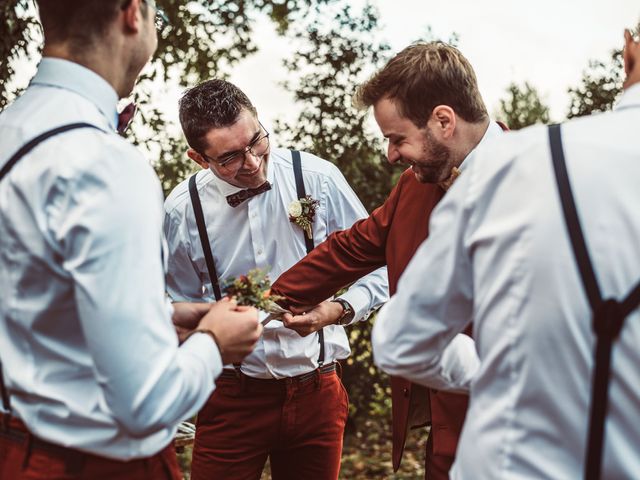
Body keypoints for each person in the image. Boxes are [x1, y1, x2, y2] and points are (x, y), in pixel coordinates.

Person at [0, 2, 261, 479]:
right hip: (96, 462)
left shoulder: (10, 130)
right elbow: (145, 403)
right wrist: (213, 343)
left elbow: (31, 304)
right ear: (131, 12)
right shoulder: (103, 162)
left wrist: (161, 317)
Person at [371, 28, 640, 479]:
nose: (391, 156)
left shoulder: (519, 163)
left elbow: (401, 343)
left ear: (631, 47)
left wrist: (491, 368)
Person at [272, 41, 505, 479]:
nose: (391, 155)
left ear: (443, 120)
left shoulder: (539, 180)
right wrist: (267, 301)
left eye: (397, 139)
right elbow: (353, 246)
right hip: (444, 428)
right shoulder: (414, 186)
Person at [163, 79, 388, 479]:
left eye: (256, 141)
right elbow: (170, 307)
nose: (251, 162)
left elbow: (381, 263)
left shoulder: (318, 178)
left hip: (317, 389)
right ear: (199, 159)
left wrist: (337, 310)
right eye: (230, 157)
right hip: (230, 398)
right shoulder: (181, 210)